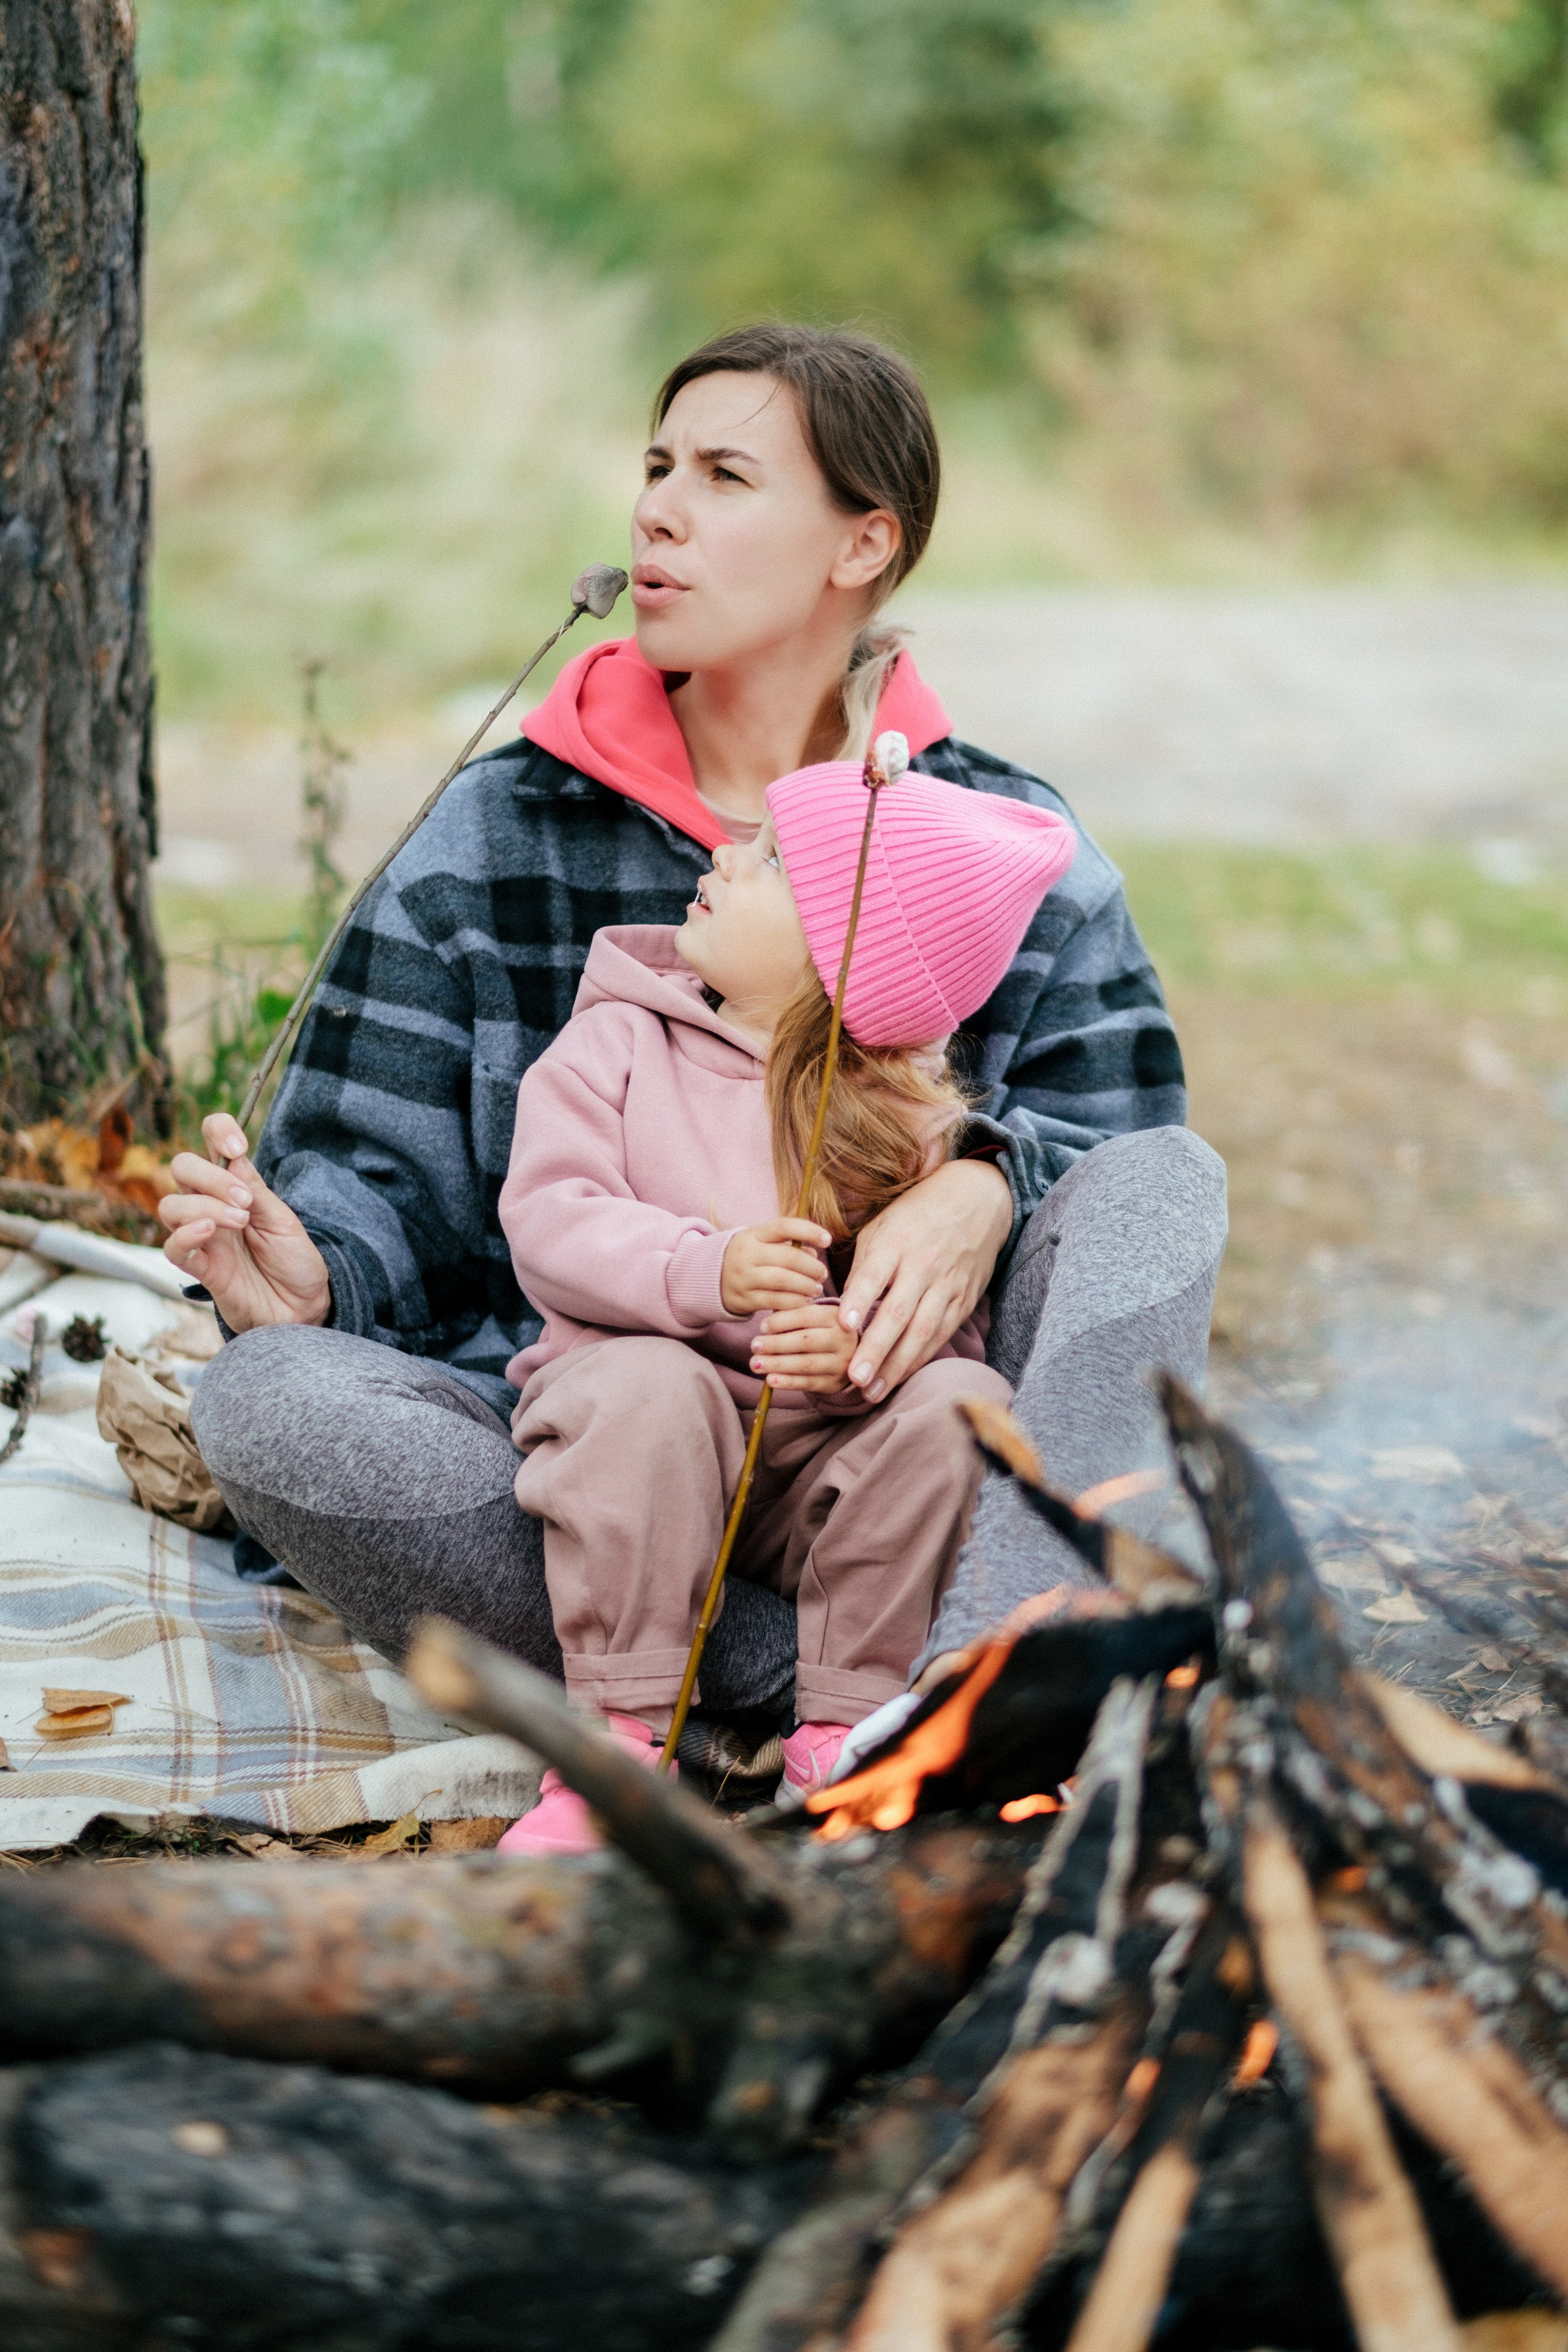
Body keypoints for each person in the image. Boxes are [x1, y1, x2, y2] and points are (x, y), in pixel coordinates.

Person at [167, 322, 1226, 1748]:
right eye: (657, 466)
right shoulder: (496, 830)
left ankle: (981, 1671)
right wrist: (311, 1281)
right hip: (587, 1447)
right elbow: (378, 1180)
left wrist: (984, 1181)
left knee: (1176, 1188)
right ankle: (853, 1694)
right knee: (271, 1401)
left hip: (904, 1436)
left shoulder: (993, 840)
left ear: (862, 545)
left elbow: (1123, 1138)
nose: (656, 509)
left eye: (725, 476)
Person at [496, 749, 1076, 1848]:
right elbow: (550, 1218)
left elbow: (940, 1316)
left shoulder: (902, 1121)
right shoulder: (620, 1038)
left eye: (766, 861)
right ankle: (618, 1750)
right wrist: (702, 1271)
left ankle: (846, 1736)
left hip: (807, 1471)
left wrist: (851, 1346)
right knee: (653, 1383)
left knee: (958, 1400)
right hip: (636, 1443)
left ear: (837, 960)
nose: (721, 853)